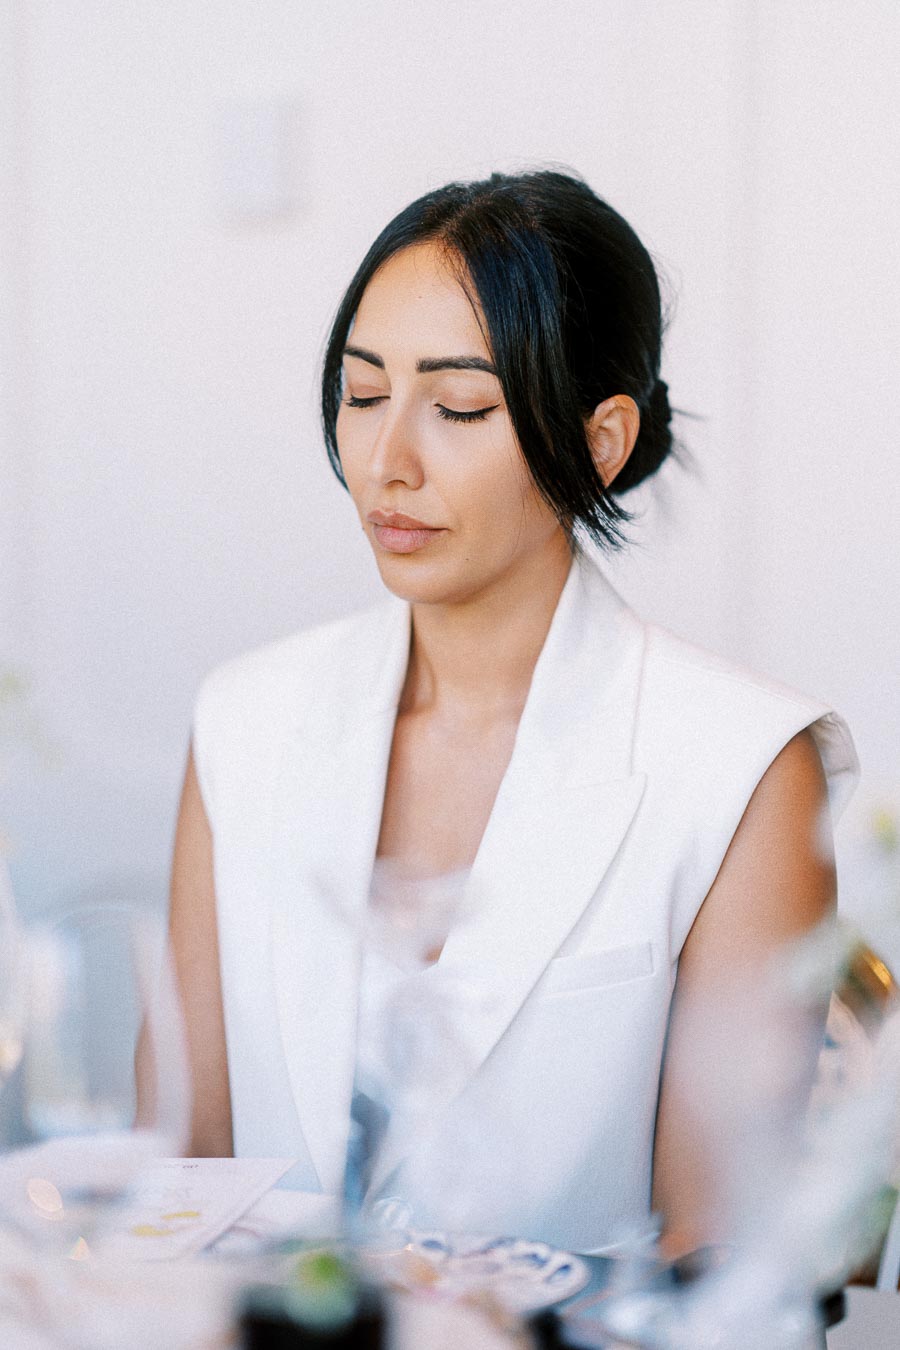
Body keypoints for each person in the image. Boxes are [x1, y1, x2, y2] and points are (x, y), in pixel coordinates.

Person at [167, 170, 857, 1256]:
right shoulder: (243, 722)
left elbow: (720, 1272)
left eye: (459, 408)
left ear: (601, 440)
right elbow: (182, 1177)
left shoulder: (740, 769)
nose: (387, 463)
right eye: (360, 395)